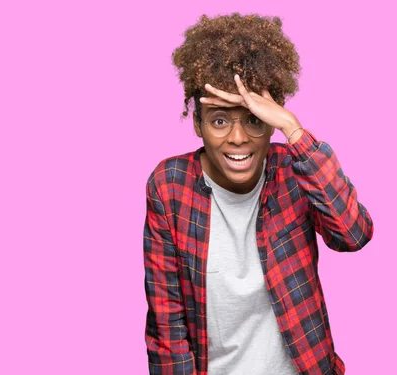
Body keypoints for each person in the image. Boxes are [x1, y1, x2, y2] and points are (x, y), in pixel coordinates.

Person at [142, 13, 374, 375]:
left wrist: (294, 131)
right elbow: (166, 321)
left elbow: (353, 233)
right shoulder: (170, 185)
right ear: (198, 124)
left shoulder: (295, 172)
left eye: (253, 119)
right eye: (219, 120)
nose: (238, 138)